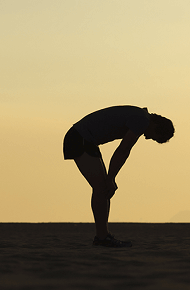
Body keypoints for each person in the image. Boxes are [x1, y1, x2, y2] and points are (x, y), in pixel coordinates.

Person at [63, 105, 174, 247]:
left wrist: (110, 178)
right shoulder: (142, 120)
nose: (147, 138)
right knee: (102, 188)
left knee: (103, 189)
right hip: (79, 138)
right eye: (154, 137)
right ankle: (102, 238)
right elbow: (123, 150)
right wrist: (111, 178)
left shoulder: (142, 117)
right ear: (156, 126)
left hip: (84, 139)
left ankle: (103, 236)